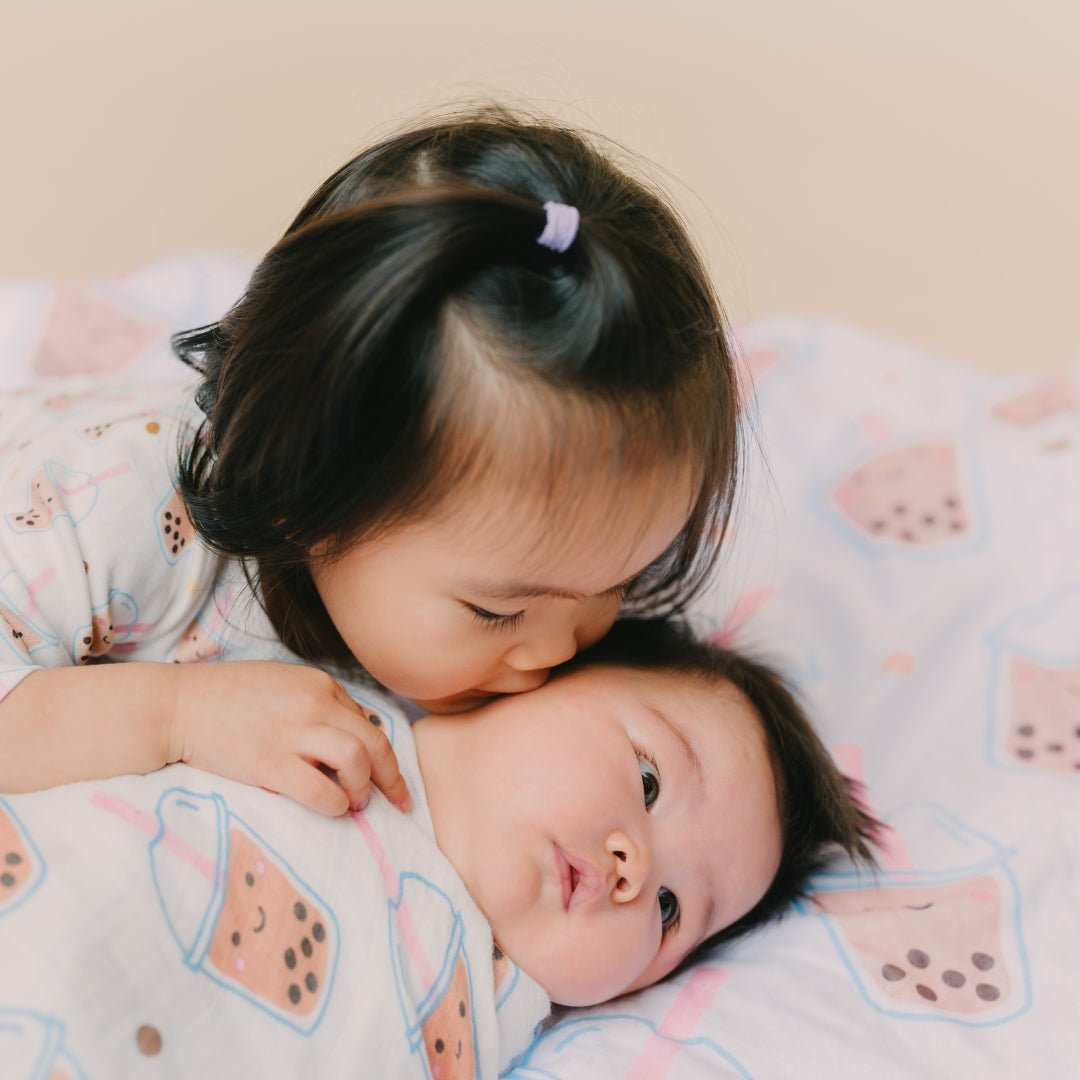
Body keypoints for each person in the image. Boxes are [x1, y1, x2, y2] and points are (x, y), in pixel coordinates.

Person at [0, 106, 740, 816]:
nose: (554, 648)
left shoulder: (491, 609)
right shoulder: (109, 510)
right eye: (498, 611)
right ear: (301, 483)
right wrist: (177, 715)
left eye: (616, 581)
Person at [0, 619, 877, 1077]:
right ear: (532, 676)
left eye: (674, 910)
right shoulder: (297, 686)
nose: (633, 869)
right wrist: (174, 714)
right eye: (648, 781)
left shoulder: (499, 1022)